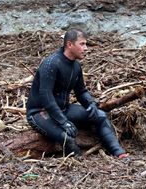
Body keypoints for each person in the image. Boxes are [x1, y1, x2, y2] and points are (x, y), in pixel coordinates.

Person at [26, 29, 128, 158]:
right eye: (82, 44)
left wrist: (90, 103)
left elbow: (81, 91)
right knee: (67, 138)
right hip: (40, 113)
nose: (86, 48)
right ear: (69, 44)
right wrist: (64, 122)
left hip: (63, 109)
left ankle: (119, 152)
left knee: (100, 115)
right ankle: (80, 164)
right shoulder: (51, 63)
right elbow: (46, 97)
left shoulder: (76, 67)